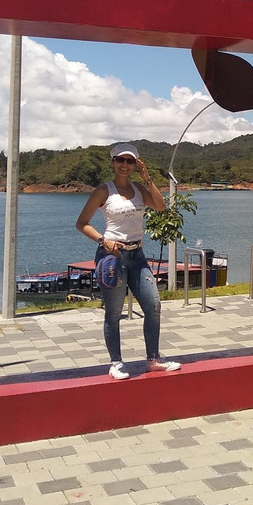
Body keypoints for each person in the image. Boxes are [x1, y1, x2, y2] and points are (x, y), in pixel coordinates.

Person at [76, 143, 182, 380]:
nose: (125, 165)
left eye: (130, 161)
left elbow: (160, 206)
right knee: (113, 313)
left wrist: (148, 179)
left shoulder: (138, 188)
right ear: (113, 162)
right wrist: (103, 240)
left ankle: (153, 359)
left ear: (136, 164)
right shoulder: (104, 191)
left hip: (138, 256)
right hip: (112, 258)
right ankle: (116, 363)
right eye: (120, 160)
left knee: (154, 306)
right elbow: (82, 223)